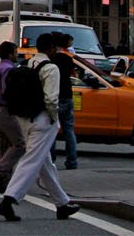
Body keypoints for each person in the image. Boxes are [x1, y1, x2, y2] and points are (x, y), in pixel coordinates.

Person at [0, 33, 79, 222]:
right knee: (33, 160)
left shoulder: (29, 64)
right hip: (43, 120)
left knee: (44, 162)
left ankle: (62, 204)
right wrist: (53, 118)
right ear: (51, 49)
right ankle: (9, 200)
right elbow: (51, 98)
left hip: (24, 118)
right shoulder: (51, 68)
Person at [0, 41, 26, 192]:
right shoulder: (9, 70)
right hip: (4, 109)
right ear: (10, 54)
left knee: (5, 145)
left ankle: (2, 181)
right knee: (19, 143)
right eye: (16, 52)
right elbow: (6, 91)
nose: (17, 55)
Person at [51, 34, 80, 169]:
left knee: (52, 131)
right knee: (69, 130)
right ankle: (72, 160)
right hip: (67, 96)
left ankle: (51, 160)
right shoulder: (68, 59)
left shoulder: (52, 59)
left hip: (55, 95)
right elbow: (74, 75)